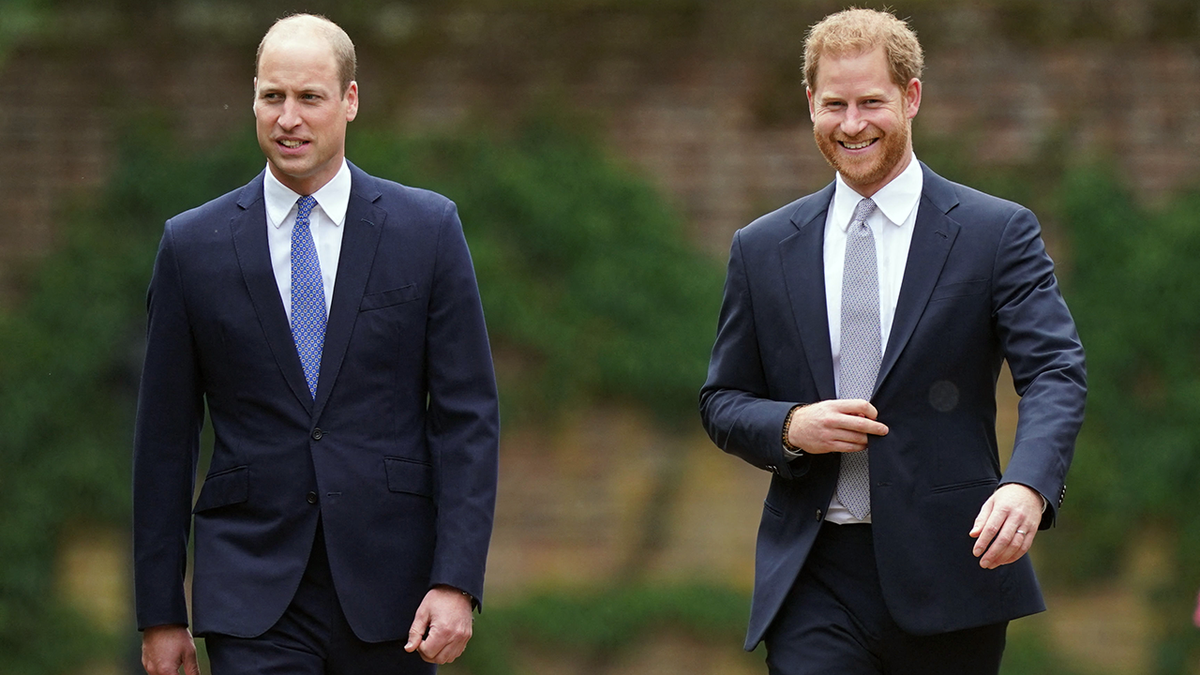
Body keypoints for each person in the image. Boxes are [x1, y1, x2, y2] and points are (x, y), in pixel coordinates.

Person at [699, 8, 1085, 674]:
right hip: (813, 575)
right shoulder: (761, 248)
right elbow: (722, 400)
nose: (852, 124)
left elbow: (1054, 370)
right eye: (834, 105)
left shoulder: (996, 234)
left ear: (911, 97)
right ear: (810, 106)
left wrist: (1027, 485)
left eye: (871, 102)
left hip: (951, 569)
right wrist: (791, 423)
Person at [132, 14, 499, 675]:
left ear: (350, 101)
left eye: (309, 97)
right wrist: (161, 610)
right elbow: (164, 437)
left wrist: (457, 578)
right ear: (252, 98)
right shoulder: (192, 247)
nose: (288, 118)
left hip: (395, 591)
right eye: (272, 96)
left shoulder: (428, 230)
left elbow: (467, 418)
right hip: (250, 588)